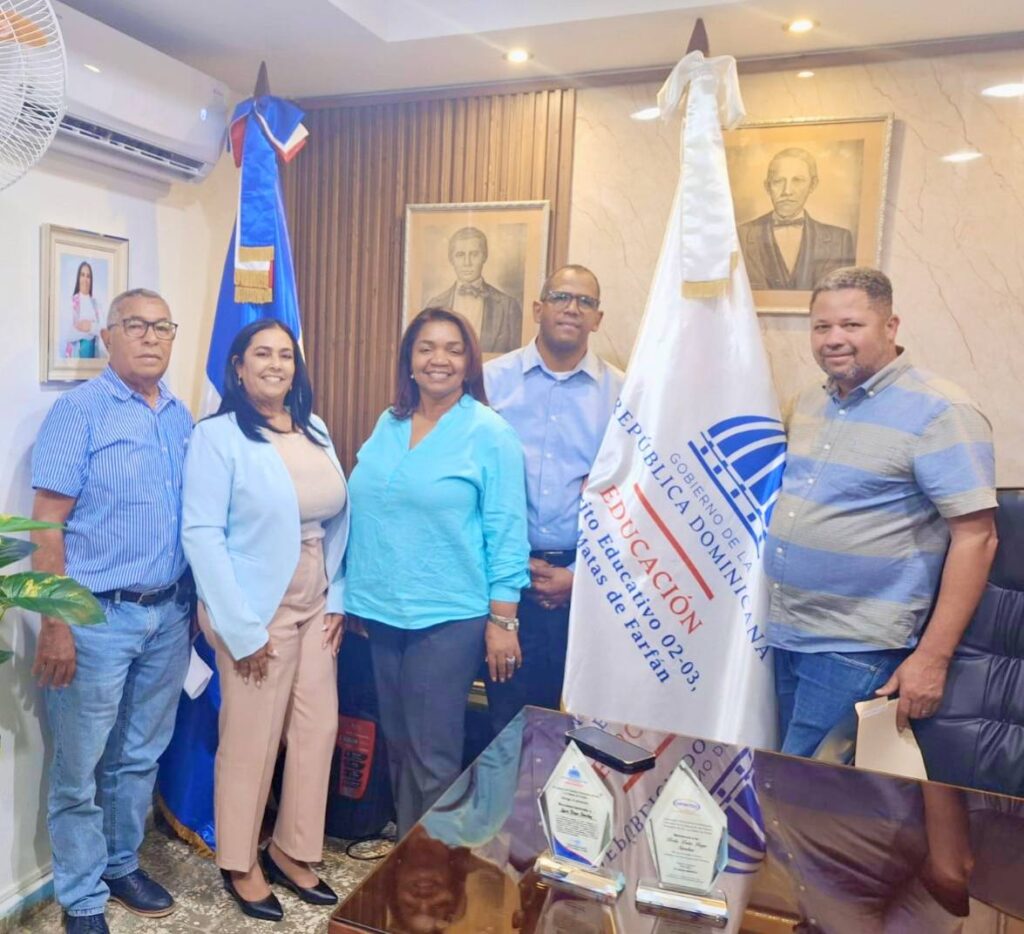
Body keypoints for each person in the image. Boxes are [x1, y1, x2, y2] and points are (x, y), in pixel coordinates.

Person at [764, 267, 998, 757]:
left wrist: (932, 659)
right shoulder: (807, 403)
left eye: (851, 325)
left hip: (857, 648)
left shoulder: (941, 411)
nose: (833, 339)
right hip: (785, 635)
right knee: (782, 774)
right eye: (822, 326)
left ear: (890, 327)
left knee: (805, 789)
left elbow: (977, 538)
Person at [31, 288, 192, 934]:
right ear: (108, 336)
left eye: (162, 326)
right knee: (79, 766)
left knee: (139, 755)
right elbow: (46, 526)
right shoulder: (79, 412)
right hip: (95, 617)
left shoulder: (180, 415)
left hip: (169, 614)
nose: (151, 337)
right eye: (136, 325)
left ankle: (122, 864)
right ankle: (80, 896)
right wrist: (55, 622)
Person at [181, 319, 349, 922]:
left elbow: (338, 521)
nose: (276, 364)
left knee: (317, 728)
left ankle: (291, 849)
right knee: (251, 739)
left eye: (285, 355)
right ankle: (239, 862)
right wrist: (240, 629)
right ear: (238, 366)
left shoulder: (314, 428)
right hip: (254, 609)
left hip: (316, 599)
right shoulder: (217, 436)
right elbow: (201, 534)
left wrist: (338, 597)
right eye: (262, 354)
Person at [344, 307, 530, 837]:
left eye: (453, 348)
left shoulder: (489, 432)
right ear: (409, 359)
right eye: (426, 348)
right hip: (382, 612)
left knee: (433, 757)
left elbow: (507, 531)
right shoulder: (390, 422)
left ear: (469, 361)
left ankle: (431, 870)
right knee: (398, 746)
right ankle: (408, 855)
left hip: (447, 616)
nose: (438, 359)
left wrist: (504, 621)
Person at [484, 265, 623, 733]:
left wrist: (580, 576)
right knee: (505, 729)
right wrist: (508, 566)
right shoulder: (490, 383)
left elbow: (635, 501)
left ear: (598, 319)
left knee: (585, 731)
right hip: (502, 581)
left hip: (587, 586)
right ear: (537, 308)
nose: (572, 308)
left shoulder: (624, 395)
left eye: (585, 301)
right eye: (561, 296)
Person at [738, 148, 856, 291]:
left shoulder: (840, 239)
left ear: (813, 185)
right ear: (767, 186)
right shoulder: (741, 236)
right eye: (778, 181)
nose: (787, 191)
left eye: (798, 181)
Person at [426, 227, 523, 354]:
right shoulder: (434, 305)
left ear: (484, 257)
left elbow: (517, 358)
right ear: (451, 259)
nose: (467, 263)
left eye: (474, 254)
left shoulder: (508, 306)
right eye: (460, 255)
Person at [64, 261, 103, 359]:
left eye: (88, 276)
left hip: (94, 358)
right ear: (78, 278)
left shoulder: (96, 304)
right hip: (75, 358)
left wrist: (90, 327)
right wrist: (91, 331)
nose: (85, 279)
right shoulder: (70, 302)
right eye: (82, 275)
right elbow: (68, 334)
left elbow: (103, 331)